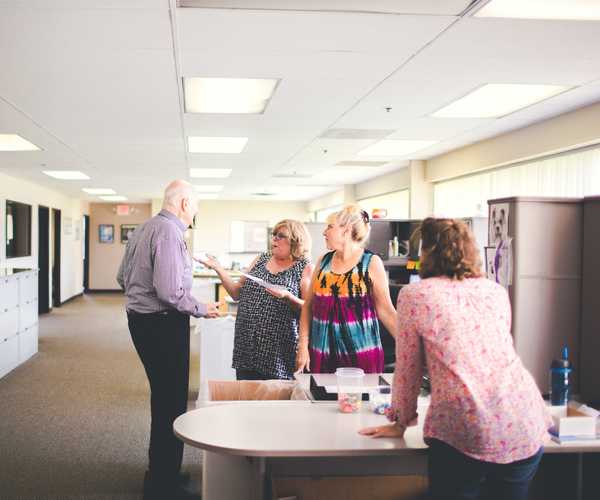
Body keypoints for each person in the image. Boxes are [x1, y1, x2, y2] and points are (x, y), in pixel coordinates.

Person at [359, 218, 551, 500]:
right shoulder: (494, 291)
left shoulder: (416, 295)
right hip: (524, 420)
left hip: (465, 424)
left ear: (428, 251)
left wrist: (400, 422)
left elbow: (408, 368)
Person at [117, 180, 219, 500]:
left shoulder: (145, 228)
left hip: (143, 322)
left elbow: (122, 276)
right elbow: (170, 291)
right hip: (162, 325)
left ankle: (162, 472)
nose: (195, 215)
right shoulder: (170, 232)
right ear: (185, 203)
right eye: (196, 209)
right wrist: (202, 308)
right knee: (171, 402)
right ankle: (163, 484)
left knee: (163, 399)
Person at [199, 219, 315, 380]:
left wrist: (288, 297)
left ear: (296, 240)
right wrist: (219, 269)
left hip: (277, 350)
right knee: (247, 394)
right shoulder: (262, 259)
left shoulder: (304, 267)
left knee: (273, 399)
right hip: (247, 344)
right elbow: (236, 293)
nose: (274, 239)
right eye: (273, 234)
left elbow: (310, 309)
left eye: (281, 236)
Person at [295, 205, 397, 374]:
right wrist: (303, 346)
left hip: (360, 356)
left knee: (357, 401)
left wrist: (412, 350)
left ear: (346, 230)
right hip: (322, 354)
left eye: (329, 226)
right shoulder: (323, 262)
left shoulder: (370, 263)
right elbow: (308, 306)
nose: (324, 232)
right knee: (320, 400)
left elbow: (387, 312)